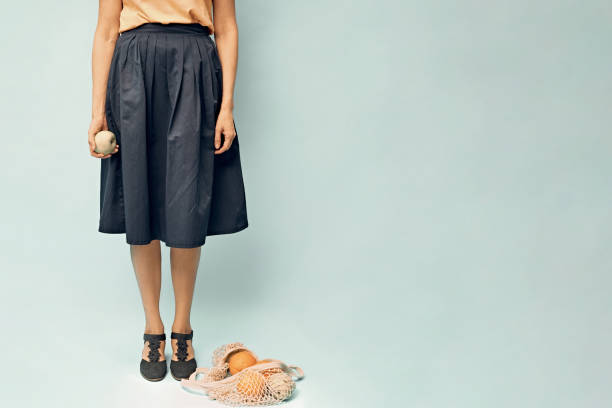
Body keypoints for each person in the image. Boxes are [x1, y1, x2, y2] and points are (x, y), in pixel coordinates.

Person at [88, 0, 248, 382]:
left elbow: (226, 28)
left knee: (186, 202)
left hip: (194, 66)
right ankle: (152, 329)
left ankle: (183, 329)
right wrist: (97, 111)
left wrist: (226, 107)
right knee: (139, 200)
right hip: (133, 69)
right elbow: (107, 29)